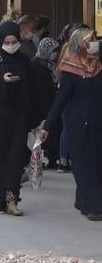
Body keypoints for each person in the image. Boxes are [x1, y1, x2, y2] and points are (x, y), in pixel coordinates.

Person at [40, 27, 102, 221]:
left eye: (95, 40)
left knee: (97, 162)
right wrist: (47, 127)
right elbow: (61, 101)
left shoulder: (98, 66)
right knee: (84, 164)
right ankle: (93, 206)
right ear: (79, 44)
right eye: (89, 40)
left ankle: (83, 199)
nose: (94, 44)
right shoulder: (70, 70)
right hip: (77, 123)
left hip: (98, 122)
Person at [0, 21, 40, 217]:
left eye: (14, 41)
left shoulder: (25, 60)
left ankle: (13, 197)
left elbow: (33, 90)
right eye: (6, 41)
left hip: (19, 117)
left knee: (15, 159)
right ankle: (2, 197)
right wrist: (2, 82)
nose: (10, 44)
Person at [30, 38, 60, 168]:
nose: (55, 54)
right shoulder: (36, 66)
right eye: (53, 51)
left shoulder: (47, 64)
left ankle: (52, 158)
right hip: (41, 106)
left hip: (48, 104)